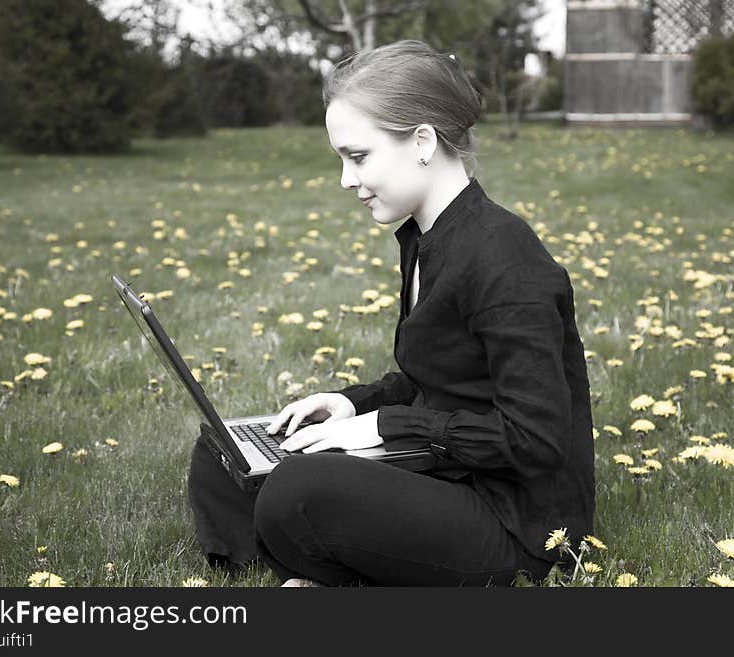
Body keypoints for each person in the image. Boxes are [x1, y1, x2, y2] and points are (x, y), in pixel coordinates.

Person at [187, 39, 595, 587]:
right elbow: (446, 380)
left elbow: (535, 440)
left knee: (298, 488)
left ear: (423, 141)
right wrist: (350, 404)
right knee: (223, 451)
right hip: (443, 470)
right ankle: (313, 556)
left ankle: (315, 556)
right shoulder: (424, 239)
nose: (346, 180)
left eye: (358, 157)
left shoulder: (505, 255)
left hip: (515, 524)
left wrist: (380, 427)